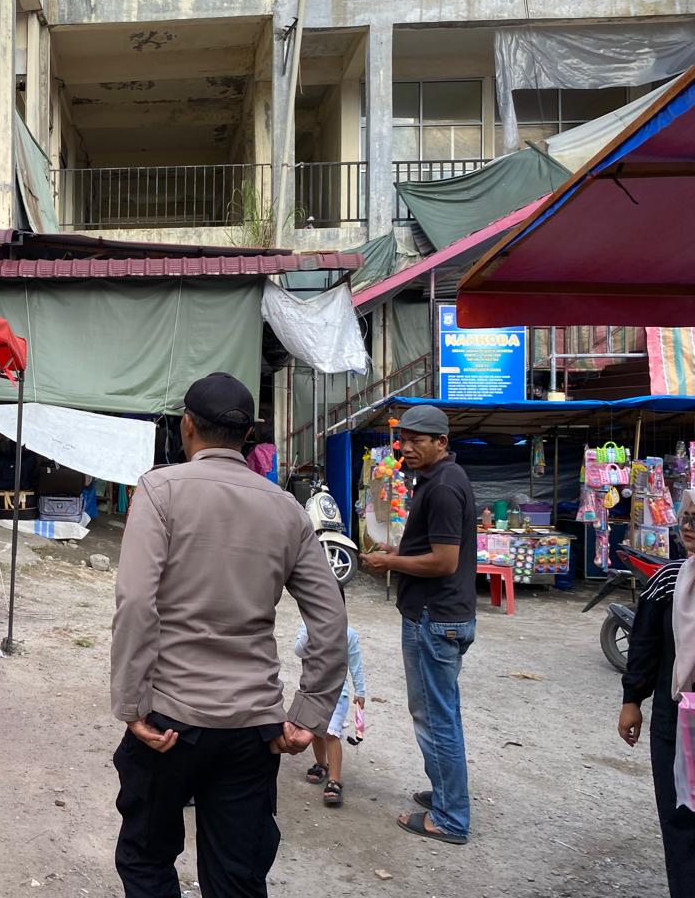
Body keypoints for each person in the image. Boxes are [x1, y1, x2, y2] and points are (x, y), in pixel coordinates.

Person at [111, 372, 348, 898]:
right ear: (246, 437)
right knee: (236, 878)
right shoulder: (286, 508)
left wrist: (131, 705)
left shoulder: (160, 489)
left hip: (169, 721)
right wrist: (308, 713)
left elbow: (136, 602)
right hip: (253, 728)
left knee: (147, 861)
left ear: (186, 426)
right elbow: (331, 618)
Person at [360, 404, 476, 845]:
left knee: (434, 718)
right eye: (403, 440)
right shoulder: (441, 478)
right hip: (444, 615)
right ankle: (447, 794)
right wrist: (400, 551)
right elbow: (436, 547)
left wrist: (390, 563)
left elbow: (444, 562)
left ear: (441, 442)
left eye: (417, 441)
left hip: (434, 617)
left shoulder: (443, 486)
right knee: (440, 712)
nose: (406, 448)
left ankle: (450, 818)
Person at [618, 490, 695, 898]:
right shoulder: (670, 581)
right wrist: (632, 701)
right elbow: (645, 646)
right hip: (676, 722)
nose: (689, 527)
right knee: (680, 816)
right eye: (687, 517)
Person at [296, 619, 366, 808]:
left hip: (337, 692)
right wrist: (309, 630)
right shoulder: (307, 626)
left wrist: (360, 691)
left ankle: (335, 779)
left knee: (331, 733)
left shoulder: (349, 633)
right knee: (315, 730)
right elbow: (299, 651)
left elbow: (356, 664)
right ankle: (321, 764)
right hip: (312, 690)